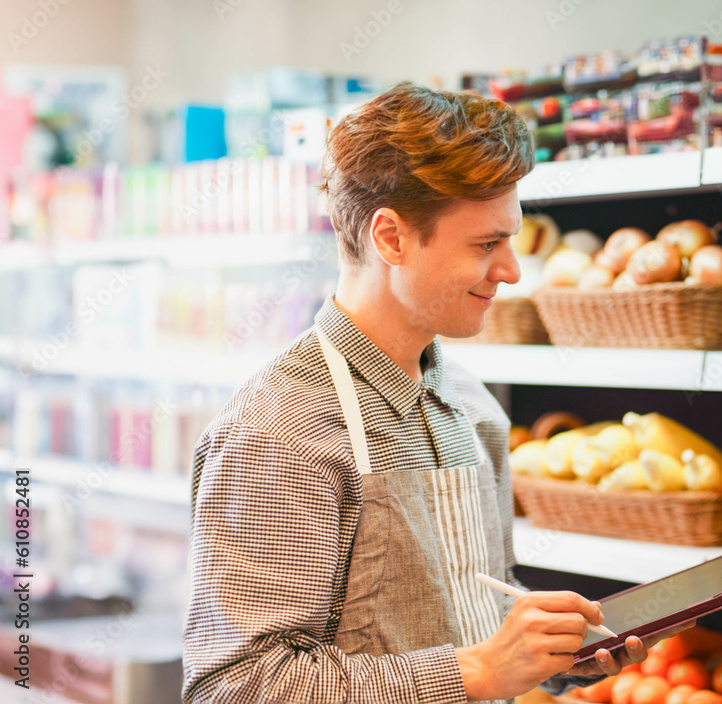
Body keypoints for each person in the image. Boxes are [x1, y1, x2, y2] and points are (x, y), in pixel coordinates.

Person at [182, 82, 674, 704]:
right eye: (486, 244)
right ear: (390, 238)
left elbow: (472, 612)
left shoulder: (474, 410)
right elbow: (237, 686)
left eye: (512, 239)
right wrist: (478, 673)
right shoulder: (278, 432)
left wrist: (549, 655)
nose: (512, 270)